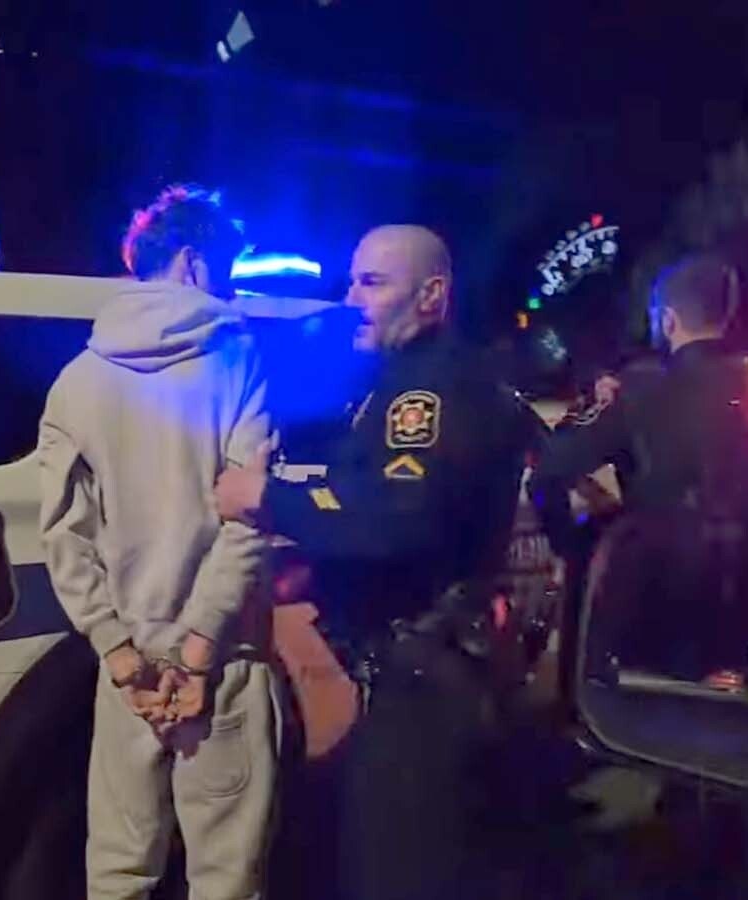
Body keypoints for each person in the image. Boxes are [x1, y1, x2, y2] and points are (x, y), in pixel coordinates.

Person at [215, 224, 544, 900]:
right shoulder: (414, 379)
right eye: (352, 280)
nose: (352, 297)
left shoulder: (429, 392)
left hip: (426, 678)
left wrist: (266, 498)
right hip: (423, 667)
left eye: (373, 282)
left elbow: (399, 517)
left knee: (399, 871)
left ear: (431, 295)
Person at [37, 185, 281, 900]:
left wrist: (118, 653)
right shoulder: (237, 360)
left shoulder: (77, 380)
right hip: (224, 658)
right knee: (227, 877)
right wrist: (199, 647)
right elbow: (250, 518)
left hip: (130, 671)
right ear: (193, 262)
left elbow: (64, 536)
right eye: (226, 269)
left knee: (118, 871)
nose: (229, 287)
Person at [530, 251, 748, 683]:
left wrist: (582, 550)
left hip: (648, 614)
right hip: (745, 622)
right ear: (726, 316)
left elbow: (548, 472)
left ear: (667, 320)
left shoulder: (637, 389)